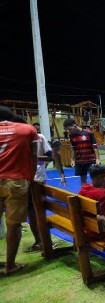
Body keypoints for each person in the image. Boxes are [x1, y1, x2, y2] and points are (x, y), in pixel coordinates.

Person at [0, 107, 38, 274]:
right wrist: (31, 177)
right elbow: (33, 156)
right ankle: (10, 265)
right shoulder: (27, 129)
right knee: (14, 224)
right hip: (16, 180)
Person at [26, 122, 67, 253]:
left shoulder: (39, 138)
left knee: (37, 209)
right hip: (21, 179)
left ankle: (44, 241)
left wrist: (34, 157)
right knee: (30, 211)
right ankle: (39, 240)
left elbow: (51, 156)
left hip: (37, 178)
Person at [63, 118, 100, 185]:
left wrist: (97, 159)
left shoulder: (88, 133)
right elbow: (73, 148)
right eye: (67, 130)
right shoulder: (71, 135)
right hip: (79, 160)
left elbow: (95, 146)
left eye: (70, 129)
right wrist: (72, 160)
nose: (69, 131)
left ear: (75, 126)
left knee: (96, 178)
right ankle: (85, 191)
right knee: (83, 180)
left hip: (91, 159)